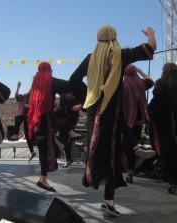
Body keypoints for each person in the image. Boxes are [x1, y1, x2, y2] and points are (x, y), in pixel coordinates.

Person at [69, 25, 157, 217]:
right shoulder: (121, 55)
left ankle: (104, 194)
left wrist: (90, 94)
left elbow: (74, 78)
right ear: (114, 38)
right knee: (113, 154)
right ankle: (109, 199)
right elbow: (151, 48)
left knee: (97, 150)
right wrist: (151, 33)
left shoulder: (90, 58)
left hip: (94, 110)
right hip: (112, 112)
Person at [27, 62, 73, 192]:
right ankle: (42, 178)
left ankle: (43, 178)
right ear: (49, 70)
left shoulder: (36, 81)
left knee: (45, 147)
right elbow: (68, 86)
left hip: (38, 119)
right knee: (46, 147)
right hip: (45, 118)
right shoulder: (49, 80)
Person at [147, 63, 177, 194]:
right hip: (176, 118)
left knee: (162, 149)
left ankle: (169, 176)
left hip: (162, 119)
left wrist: (148, 111)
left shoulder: (160, 83)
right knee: (175, 148)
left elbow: (156, 101)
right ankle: (174, 179)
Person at [122, 64, 156, 184]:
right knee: (134, 144)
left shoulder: (122, 85)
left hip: (125, 120)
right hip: (138, 118)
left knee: (125, 146)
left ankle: (124, 170)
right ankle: (131, 171)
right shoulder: (141, 83)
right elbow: (151, 81)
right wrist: (141, 71)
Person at [54, 91, 85, 168]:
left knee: (66, 139)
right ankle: (68, 158)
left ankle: (67, 159)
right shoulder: (62, 94)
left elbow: (87, 102)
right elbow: (61, 106)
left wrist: (80, 105)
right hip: (63, 117)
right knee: (62, 139)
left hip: (72, 117)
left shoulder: (77, 91)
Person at [9, 81, 36, 161]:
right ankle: (32, 152)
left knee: (18, 119)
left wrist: (29, 105)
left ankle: (16, 134)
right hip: (24, 115)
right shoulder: (26, 96)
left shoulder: (35, 98)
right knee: (27, 136)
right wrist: (18, 88)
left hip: (30, 117)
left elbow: (37, 107)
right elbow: (17, 97)